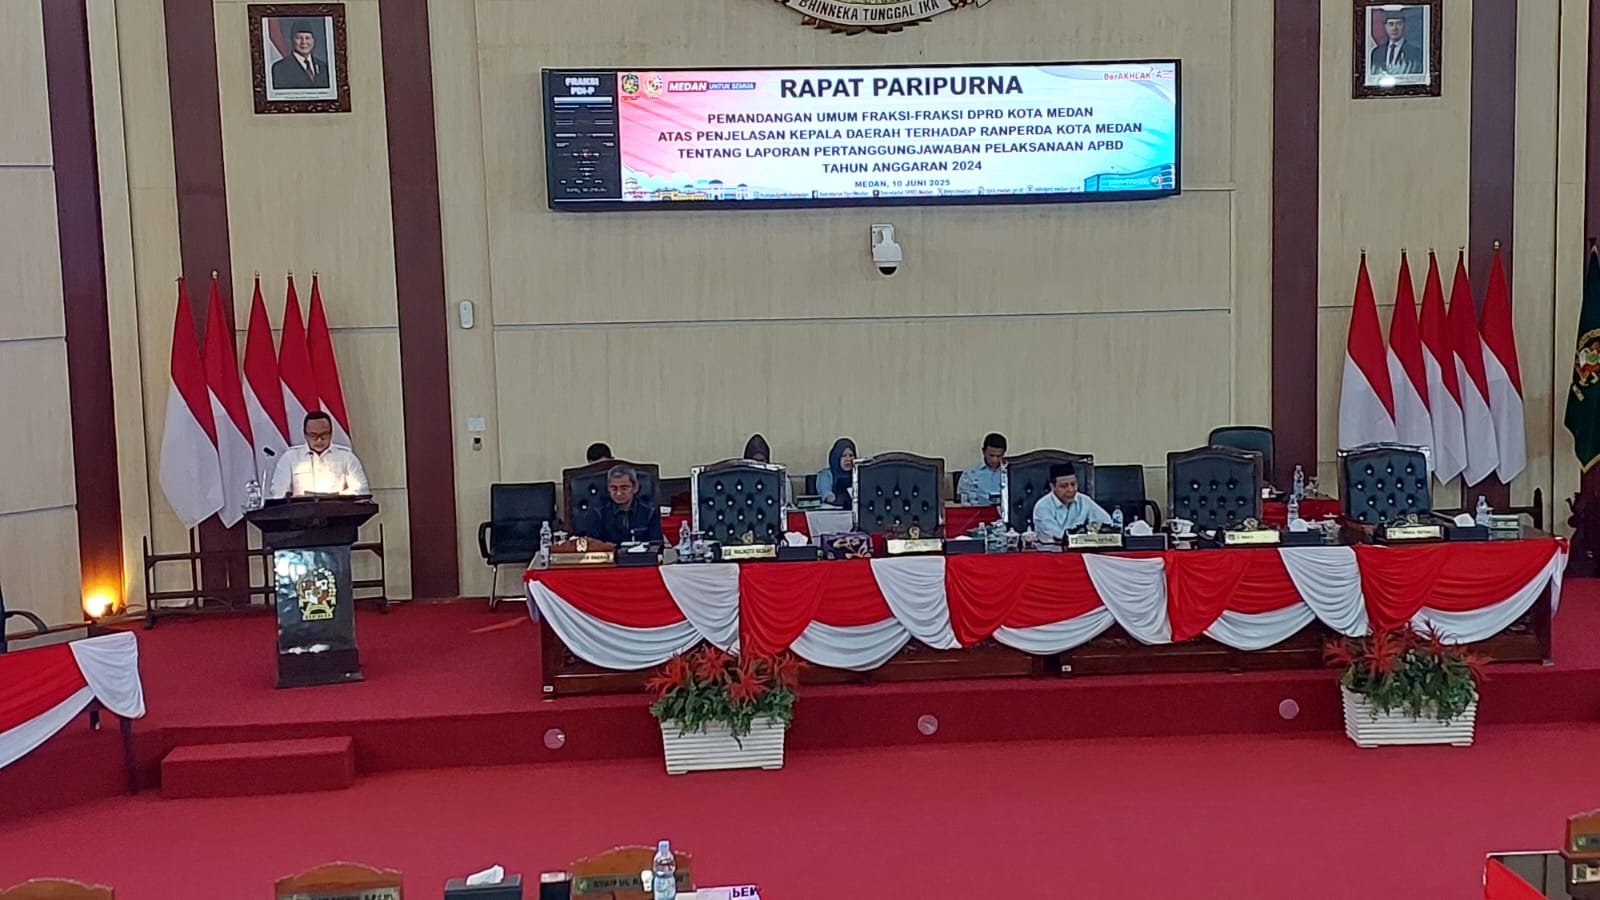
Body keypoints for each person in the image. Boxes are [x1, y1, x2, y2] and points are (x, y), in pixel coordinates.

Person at [267, 411, 368, 498]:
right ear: (305, 434)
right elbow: (279, 494)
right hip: (300, 512)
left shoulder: (347, 457)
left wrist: (338, 497)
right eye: (313, 435)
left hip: (338, 510)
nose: (319, 440)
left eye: (324, 434)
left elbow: (361, 491)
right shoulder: (289, 458)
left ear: (331, 433)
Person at [574, 464, 662, 544]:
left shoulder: (650, 513)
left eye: (624, 488)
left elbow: (656, 545)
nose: (619, 493)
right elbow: (595, 547)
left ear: (635, 488)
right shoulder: (598, 514)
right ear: (608, 488)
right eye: (614, 488)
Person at [1030, 462, 1111, 541]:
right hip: (1053, 549)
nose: (1070, 490)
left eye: (1073, 484)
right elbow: (1059, 536)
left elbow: (1107, 523)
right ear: (1052, 487)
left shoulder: (1084, 500)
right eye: (1064, 486)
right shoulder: (1042, 506)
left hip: (1081, 547)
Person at [270, 20, 332, 90]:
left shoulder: (323, 67)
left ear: (313, 40)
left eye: (307, 38)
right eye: (299, 38)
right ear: (291, 40)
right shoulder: (280, 68)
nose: (304, 42)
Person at [1369, 9, 1423, 78]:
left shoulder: (1415, 53)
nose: (1394, 28)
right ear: (1385, 27)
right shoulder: (1376, 53)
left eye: (1399, 24)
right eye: (1391, 24)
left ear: (1405, 26)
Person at [743, 433, 793, 507]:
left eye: (761, 461)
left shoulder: (781, 480)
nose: (758, 465)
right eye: (755, 461)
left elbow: (786, 505)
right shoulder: (739, 479)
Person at [957, 432, 1008, 505]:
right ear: (983, 451)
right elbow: (963, 503)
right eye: (991, 455)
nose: (995, 460)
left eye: (999, 456)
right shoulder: (969, 475)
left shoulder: (1010, 474)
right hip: (978, 511)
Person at [816, 438, 856, 508]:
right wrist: (837, 499)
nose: (848, 459)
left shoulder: (858, 474)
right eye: (843, 456)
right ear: (836, 457)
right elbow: (826, 495)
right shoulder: (826, 475)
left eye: (851, 455)